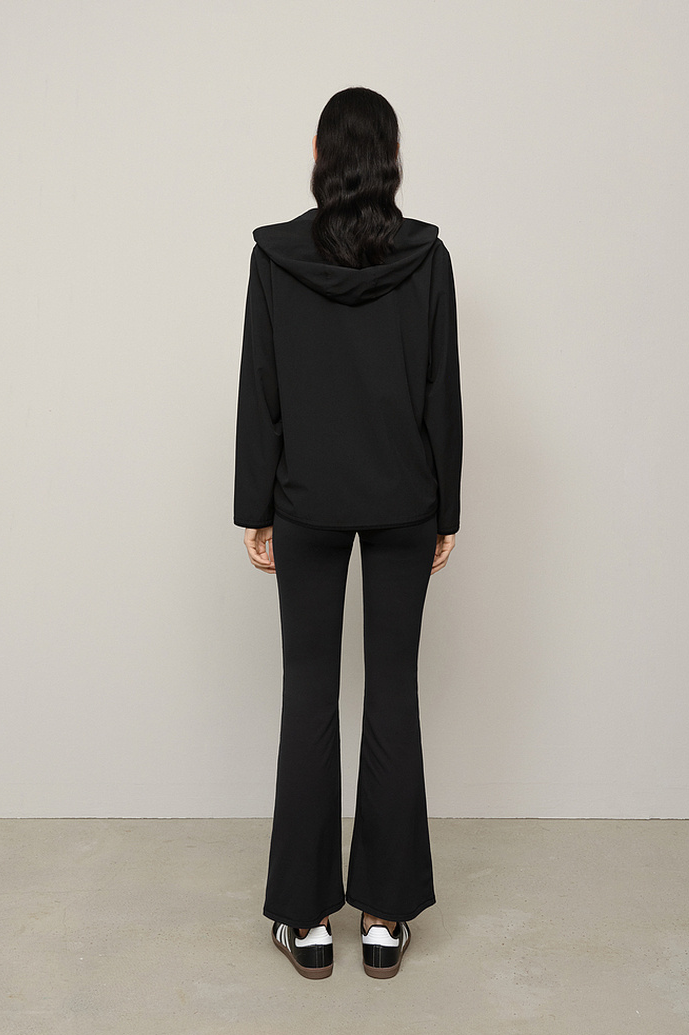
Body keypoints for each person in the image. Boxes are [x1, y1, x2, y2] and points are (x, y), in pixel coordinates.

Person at [233, 87, 463, 980]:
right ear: (391, 159)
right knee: (393, 694)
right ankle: (385, 916)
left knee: (308, 696)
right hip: (404, 498)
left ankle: (305, 919)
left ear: (320, 155)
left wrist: (255, 506)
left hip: (307, 501)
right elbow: (441, 389)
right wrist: (446, 508)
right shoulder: (428, 259)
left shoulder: (276, 259)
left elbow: (261, 387)